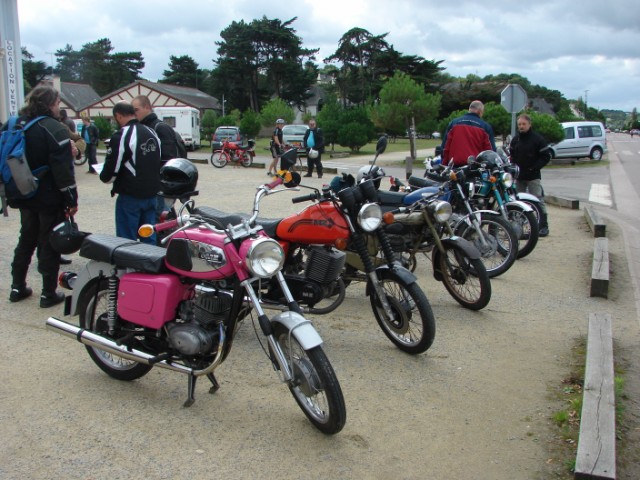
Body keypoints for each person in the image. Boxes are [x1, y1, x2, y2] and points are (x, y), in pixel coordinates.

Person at [6, 85, 79, 308]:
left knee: (26, 238)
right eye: (58, 104)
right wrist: (71, 199)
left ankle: (17, 287)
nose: (59, 108)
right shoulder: (53, 128)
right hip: (47, 195)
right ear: (49, 104)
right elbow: (62, 171)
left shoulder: (14, 124)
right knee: (49, 242)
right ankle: (48, 293)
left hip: (22, 191)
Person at [99, 101, 161, 244]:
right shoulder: (152, 132)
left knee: (126, 238)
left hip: (131, 194)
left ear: (118, 116)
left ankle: (128, 266)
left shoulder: (122, 135)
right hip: (152, 193)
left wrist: (105, 177)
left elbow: (112, 169)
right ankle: (149, 264)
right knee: (148, 235)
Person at [131, 95, 183, 220]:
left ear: (147, 107)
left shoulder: (160, 128)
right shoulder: (142, 128)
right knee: (157, 220)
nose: (134, 114)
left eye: (136, 110)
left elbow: (169, 160)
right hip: (150, 187)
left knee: (159, 222)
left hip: (160, 186)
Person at [509, 113, 551, 237]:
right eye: (519, 124)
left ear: (529, 124)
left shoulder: (538, 139)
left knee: (538, 200)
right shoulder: (515, 140)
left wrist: (534, 167)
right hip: (519, 177)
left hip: (533, 176)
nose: (521, 126)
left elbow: (546, 156)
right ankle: (519, 227)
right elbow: (511, 156)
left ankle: (543, 226)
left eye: (524, 124)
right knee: (518, 201)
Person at [441, 100, 497, 167]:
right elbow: (490, 152)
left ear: (469, 109)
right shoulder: (485, 127)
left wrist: (444, 164)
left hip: (454, 167)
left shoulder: (454, 123)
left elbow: (445, 148)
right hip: (475, 168)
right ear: (480, 112)